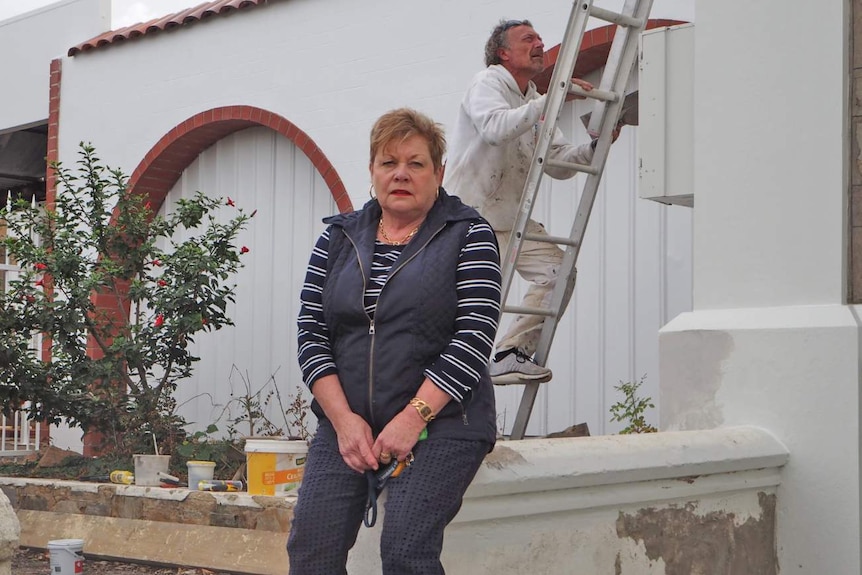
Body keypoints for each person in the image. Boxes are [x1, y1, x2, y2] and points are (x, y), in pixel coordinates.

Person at [288, 108, 502, 574]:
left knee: (406, 550)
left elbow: (475, 334)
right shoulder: (337, 238)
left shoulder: (468, 234)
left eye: (415, 163)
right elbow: (311, 333)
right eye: (388, 163)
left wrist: (413, 417)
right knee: (311, 551)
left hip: (445, 421)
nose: (400, 174)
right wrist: (343, 421)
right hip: (350, 423)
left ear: (438, 173)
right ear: (372, 172)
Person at [444, 18, 619, 382]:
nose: (539, 43)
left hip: (508, 220)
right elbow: (494, 129)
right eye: (528, 39)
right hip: (468, 219)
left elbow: (557, 162)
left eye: (539, 37)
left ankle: (511, 353)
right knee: (462, 307)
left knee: (559, 273)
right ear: (503, 53)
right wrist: (550, 99)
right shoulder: (487, 83)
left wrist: (595, 146)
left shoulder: (535, 99)